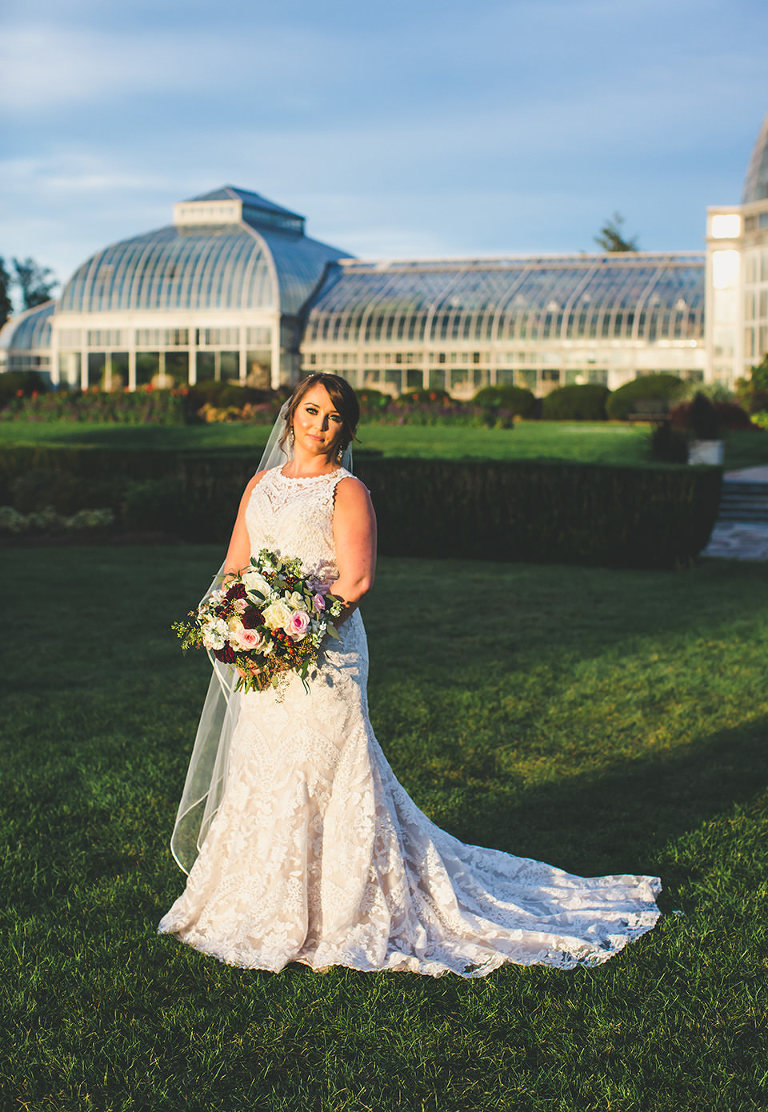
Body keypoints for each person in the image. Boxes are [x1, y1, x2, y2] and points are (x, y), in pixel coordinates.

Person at [158, 373, 662, 976]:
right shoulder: (260, 485)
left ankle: (348, 909)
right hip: (270, 655)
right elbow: (237, 562)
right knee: (266, 763)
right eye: (311, 410)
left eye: (334, 417)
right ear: (292, 413)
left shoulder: (346, 491)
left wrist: (293, 633)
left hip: (326, 654)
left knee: (328, 767)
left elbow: (356, 580)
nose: (319, 425)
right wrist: (232, 622)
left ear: (346, 429)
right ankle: (258, 898)